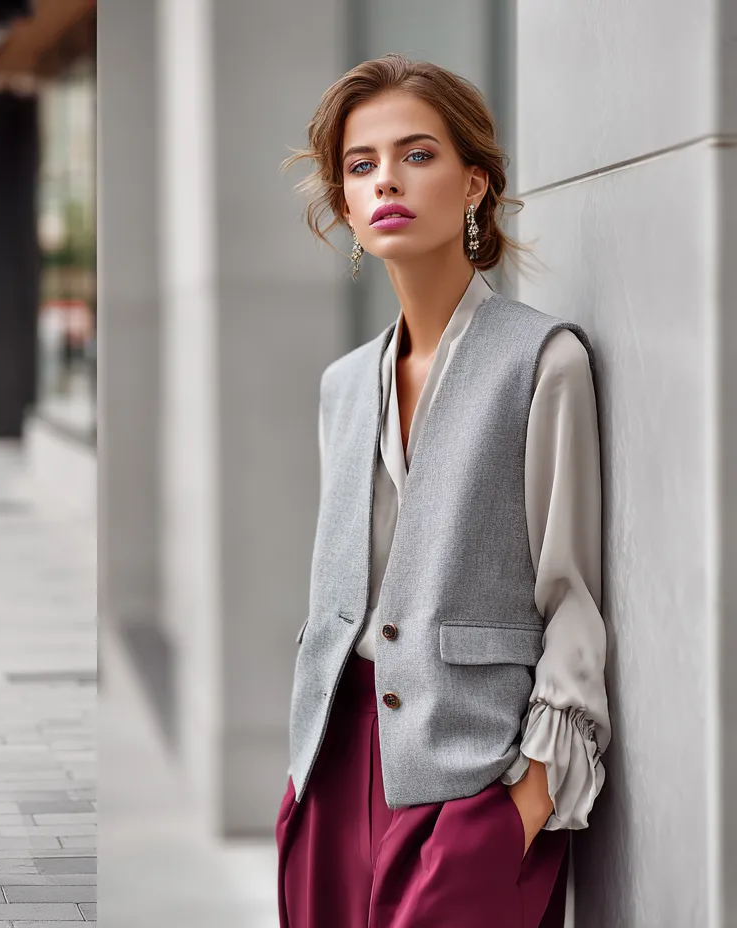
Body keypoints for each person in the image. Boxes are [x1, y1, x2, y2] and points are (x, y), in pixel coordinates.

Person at [276, 55, 609, 927]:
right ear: (346, 204)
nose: (386, 178)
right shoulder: (344, 384)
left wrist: (529, 796)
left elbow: (571, 596)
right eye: (360, 165)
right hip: (333, 761)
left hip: (474, 774)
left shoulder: (544, 362)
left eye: (416, 154)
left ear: (474, 183)